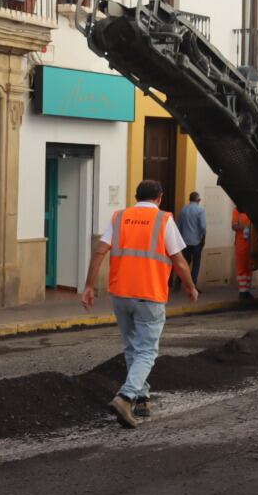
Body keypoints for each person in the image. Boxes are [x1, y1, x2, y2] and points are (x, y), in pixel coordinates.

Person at [81, 180, 199, 428]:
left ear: (136, 196)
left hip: (121, 295)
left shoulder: (120, 217)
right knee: (147, 351)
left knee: (133, 348)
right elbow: (178, 261)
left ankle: (142, 399)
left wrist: (90, 286)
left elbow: (100, 251)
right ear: (160, 197)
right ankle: (125, 397)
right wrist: (190, 286)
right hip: (149, 294)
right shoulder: (164, 220)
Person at [176, 191, 207, 289]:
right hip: (196, 241)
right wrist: (203, 238)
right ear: (198, 200)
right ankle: (193, 285)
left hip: (185, 241)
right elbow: (203, 226)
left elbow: (179, 226)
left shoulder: (183, 210)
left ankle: (178, 283)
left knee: (184, 263)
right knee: (196, 264)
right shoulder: (200, 210)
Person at [232, 207, 256, 299]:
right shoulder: (237, 210)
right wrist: (244, 227)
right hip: (241, 243)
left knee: (249, 268)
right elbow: (233, 226)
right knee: (242, 268)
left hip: (252, 243)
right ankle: (242, 291)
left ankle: (246, 290)